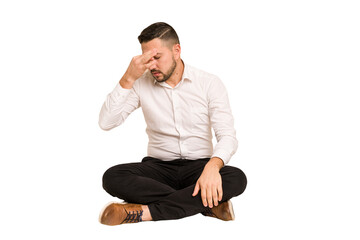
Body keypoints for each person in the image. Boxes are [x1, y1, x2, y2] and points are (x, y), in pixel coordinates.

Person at [98, 22, 247, 226]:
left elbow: (228, 136)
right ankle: (207, 204)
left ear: (176, 50)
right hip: (158, 170)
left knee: (236, 178)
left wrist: (213, 166)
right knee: (113, 177)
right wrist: (128, 77)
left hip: (200, 169)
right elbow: (106, 122)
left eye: (157, 58)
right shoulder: (140, 83)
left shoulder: (209, 83)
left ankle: (143, 212)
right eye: (146, 59)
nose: (152, 66)